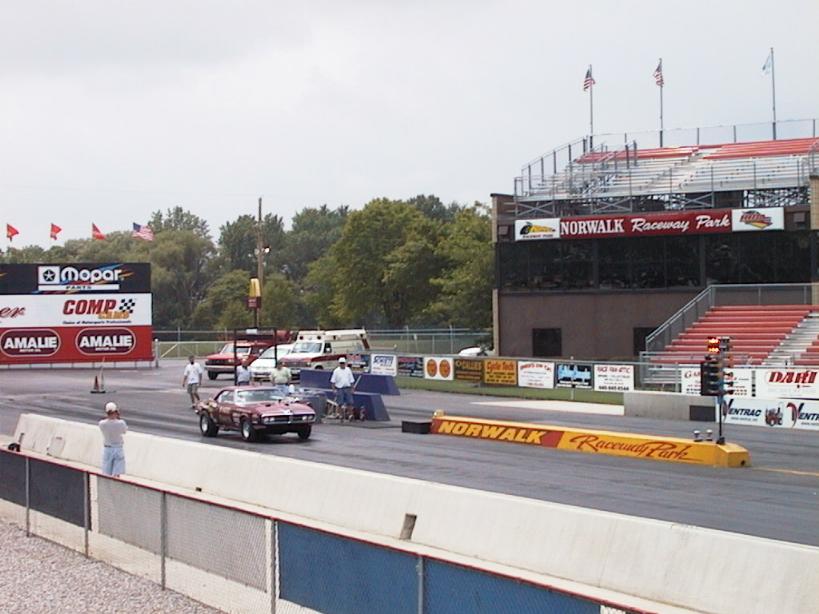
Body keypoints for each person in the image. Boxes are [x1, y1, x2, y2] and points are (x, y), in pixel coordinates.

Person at [98, 402, 127, 477]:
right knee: (117, 473)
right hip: (118, 448)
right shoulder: (121, 423)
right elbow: (124, 431)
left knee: (106, 473)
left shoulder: (102, 424)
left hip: (107, 448)